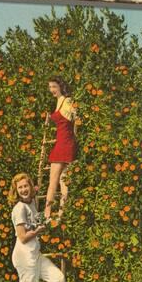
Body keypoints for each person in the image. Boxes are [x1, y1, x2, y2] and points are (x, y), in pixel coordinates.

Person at [8, 172, 66, 282]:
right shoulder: (19, 209)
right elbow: (23, 237)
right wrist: (38, 231)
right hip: (25, 257)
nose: (24, 190)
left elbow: (37, 195)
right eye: (20, 188)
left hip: (36, 255)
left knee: (58, 279)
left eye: (26, 186)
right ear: (16, 191)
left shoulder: (31, 201)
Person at [44, 76, 79, 221]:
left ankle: (47, 215)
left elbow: (74, 120)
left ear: (60, 87)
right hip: (65, 142)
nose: (51, 90)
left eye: (54, 87)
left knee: (55, 181)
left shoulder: (67, 100)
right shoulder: (59, 101)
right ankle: (60, 214)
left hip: (64, 143)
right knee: (62, 181)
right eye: (50, 87)